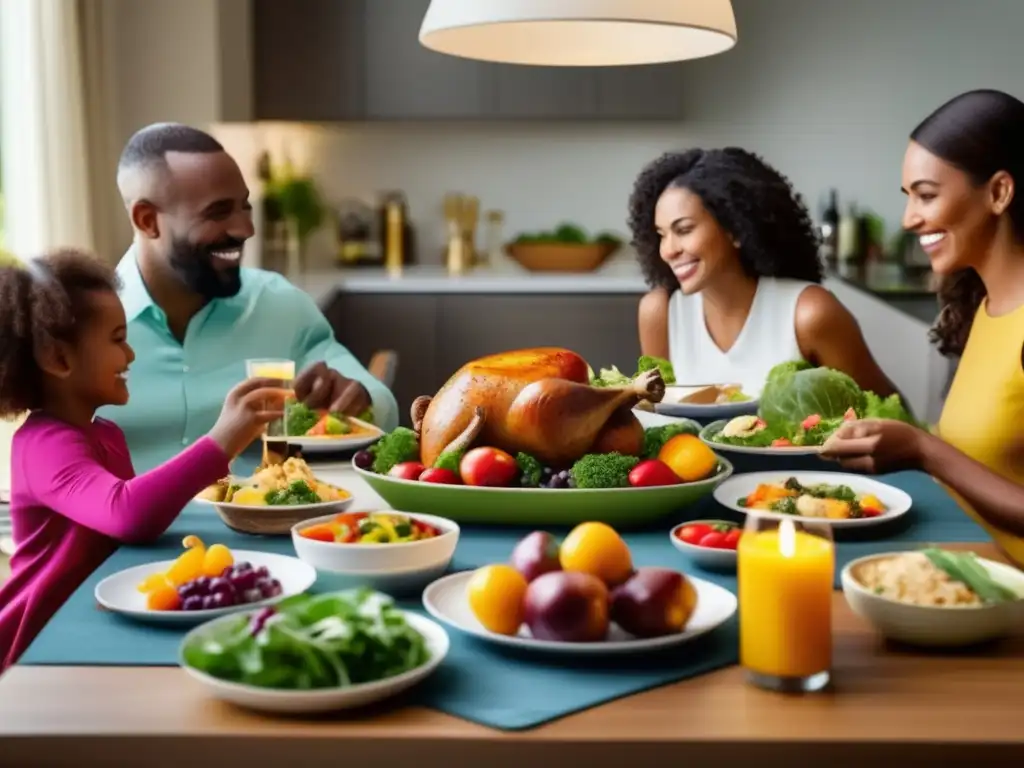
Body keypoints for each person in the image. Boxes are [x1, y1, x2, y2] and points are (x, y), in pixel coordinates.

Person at [0, 249, 289, 672]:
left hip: (95, 623)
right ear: (58, 359)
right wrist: (222, 440)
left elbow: (138, 527)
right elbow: (129, 514)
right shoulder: (42, 445)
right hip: (40, 645)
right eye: (117, 339)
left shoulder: (106, 434)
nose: (130, 356)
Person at [100, 123, 398, 472]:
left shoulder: (279, 305)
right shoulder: (80, 325)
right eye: (218, 212)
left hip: (258, 523)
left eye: (245, 207)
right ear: (148, 220)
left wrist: (359, 395)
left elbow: (381, 406)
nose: (245, 230)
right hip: (122, 527)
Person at [821, 89, 1024, 564]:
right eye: (908, 197)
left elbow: (943, 456)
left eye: (926, 196)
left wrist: (924, 449)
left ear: (998, 192)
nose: (910, 219)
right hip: (975, 564)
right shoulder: (986, 306)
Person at [628, 147, 899, 399]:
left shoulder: (810, 314)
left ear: (734, 228)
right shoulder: (660, 313)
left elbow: (887, 415)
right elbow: (656, 417)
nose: (668, 250)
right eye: (661, 235)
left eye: (684, 230)